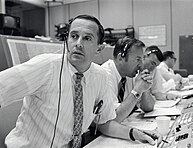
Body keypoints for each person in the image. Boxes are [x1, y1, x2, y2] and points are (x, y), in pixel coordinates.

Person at [0, 14, 161, 147]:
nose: (78, 44)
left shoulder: (100, 77)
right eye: (74, 36)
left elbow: (104, 123)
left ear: (99, 48)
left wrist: (133, 134)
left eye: (87, 38)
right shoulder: (46, 66)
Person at [101, 36, 153, 122]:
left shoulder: (130, 73)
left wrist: (145, 88)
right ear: (120, 58)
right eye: (138, 59)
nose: (141, 64)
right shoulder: (104, 75)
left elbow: (148, 108)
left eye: (142, 59)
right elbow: (112, 118)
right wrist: (137, 91)